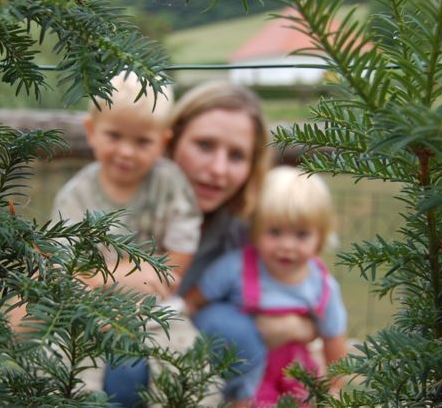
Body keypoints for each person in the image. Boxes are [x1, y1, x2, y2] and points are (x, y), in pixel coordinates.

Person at [104, 81, 317, 406]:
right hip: (110, 344)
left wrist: (293, 326)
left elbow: (313, 306)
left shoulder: (250, 231)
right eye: (204, 145)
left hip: (196, 363)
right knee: (127, 366)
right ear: (170, 142)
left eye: (236, 156)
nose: (218, 169)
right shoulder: (115, 205)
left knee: (233, 331)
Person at [50, 72, 203, 406]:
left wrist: (105, 275)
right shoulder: (75, 196)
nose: (126, 152)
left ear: (163, 142)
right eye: (114, 136)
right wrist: (135, 272)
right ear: (92, 131)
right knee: (63, 369)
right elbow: (67, 274)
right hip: (87, 311)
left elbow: (173, 269)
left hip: (159, 309)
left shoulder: (171, 185)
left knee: (188, 371)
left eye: (142, 142)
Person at [185, 165, 348, 407]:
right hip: (246, 370)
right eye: (274, 232)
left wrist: (335, 388)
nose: (287, 246)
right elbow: (194, 302)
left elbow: (334, 339)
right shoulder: (235, 268)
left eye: (301, 235)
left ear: (320, 237)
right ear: (256, 230)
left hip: (297, 373)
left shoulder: (321, 285)